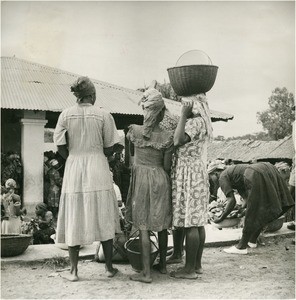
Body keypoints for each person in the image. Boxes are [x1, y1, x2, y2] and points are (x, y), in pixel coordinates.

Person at [53, 76, 121, 281]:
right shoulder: (103, 115)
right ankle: (109, 268)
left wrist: (74, 157)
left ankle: (73, 271)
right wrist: (105, 153)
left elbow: (60, 146)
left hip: (74, 167)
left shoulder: (65, 115)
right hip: (98, 166)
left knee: (74, 214)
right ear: (91, 95)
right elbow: (109, 147)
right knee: (104, 214)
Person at [125, 88, 174, 283]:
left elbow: (131, 159)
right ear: (161, 113)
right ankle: (162, 265)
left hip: (141, 179)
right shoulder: (167, 136)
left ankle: (145, 273)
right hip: (160, 178)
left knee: (144, 226)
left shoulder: (134, 131)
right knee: (161, 225)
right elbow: (167, 166)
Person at [169, 94, 213, 279]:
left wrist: (183, 115)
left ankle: (189, 270)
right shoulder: (203, 121)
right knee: (197, 221)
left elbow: (177, 141)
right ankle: (197, 264)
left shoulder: (193, 122)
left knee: (191, 222)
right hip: (196, 171)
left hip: (188, 172)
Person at [212, 162, 295, 254]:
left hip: (255, 172)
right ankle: (252, 240)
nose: (212, 180)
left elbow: (232, 201)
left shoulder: (222, 177)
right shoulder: (235, 174)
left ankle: (241, 247)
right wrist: (240, 211)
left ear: (215, 173)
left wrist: (221, 218)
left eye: (210, 177)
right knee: (264, 208)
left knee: (254, 210)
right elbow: (246, 200)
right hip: (267, 168)